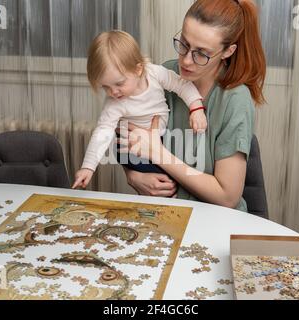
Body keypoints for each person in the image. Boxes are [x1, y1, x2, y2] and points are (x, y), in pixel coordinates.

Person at [120, 0, 266, 212]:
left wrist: (159, 154)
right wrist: (133, 176)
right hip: (165, 216)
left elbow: (227, 197)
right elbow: (130, 133)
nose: (186, 61)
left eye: (201, 53)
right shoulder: (166, 75)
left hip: (216, 222)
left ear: (228, 51)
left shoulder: (235, 99)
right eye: (184, 44)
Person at [72, 30, 208, 189]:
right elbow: (103, 131)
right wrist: (88, 167)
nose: (113, 92)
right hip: (130, 146)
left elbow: (181, 85)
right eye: (105, 87)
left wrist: (196, 107)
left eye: (119, 83)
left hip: (157, 140)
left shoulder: (154, 73)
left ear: (138, 69)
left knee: (175, 163)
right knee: (166, 180)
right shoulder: (114, 103)